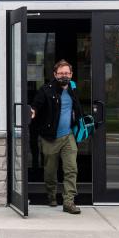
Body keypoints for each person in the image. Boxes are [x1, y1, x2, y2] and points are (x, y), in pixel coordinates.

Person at [30, 59, 83, 214]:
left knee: (71, 169)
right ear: (55, 74)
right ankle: (51, 195)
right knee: (50, 171)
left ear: (71, 74)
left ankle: (68, 202)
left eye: (67, 73)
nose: (64, 76)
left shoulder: (73, 89)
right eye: (60, 73)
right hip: (50, 137)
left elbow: (76, 107)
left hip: (68, 136)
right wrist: (32, 111)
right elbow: (36, 105)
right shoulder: (46, 90)